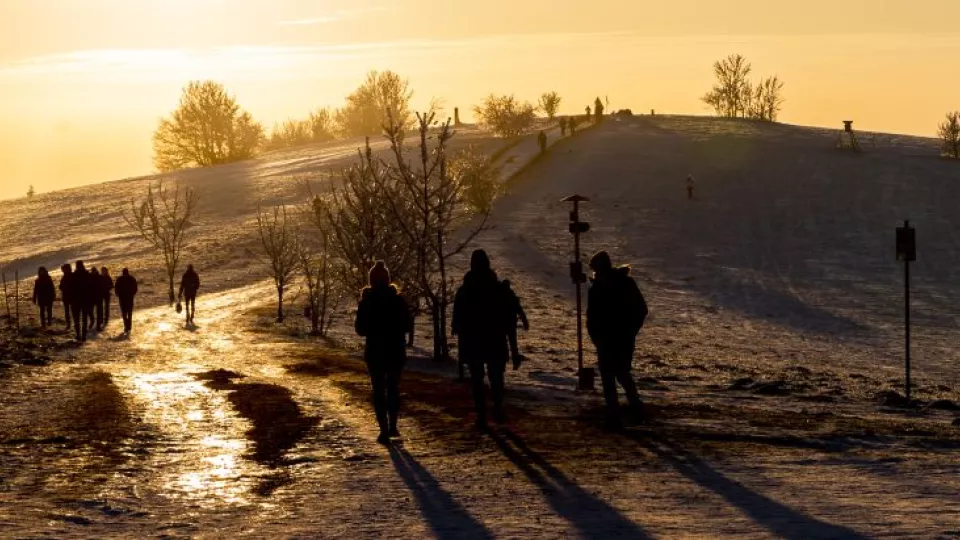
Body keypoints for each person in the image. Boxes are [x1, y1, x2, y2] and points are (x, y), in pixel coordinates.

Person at [586, 251, 648, 429]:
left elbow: (641, 310)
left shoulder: (619, 285)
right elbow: (592, 317)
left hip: (618, 338)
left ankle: (630, 407)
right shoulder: (603, 287)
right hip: (610, 339)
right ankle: (619, 410)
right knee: (612, 374)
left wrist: (630, 330)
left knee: (618, 373)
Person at [355, 261, 413, 445]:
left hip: (375, 351)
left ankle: (384, 430)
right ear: (388, 279)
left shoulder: (367, 301)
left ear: (371, 280)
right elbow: (407, 325)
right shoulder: (398, 300)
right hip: (395, 349)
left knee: (379, 390)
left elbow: (360, 329)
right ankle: (393, 425)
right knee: (393, 388)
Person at [453, 249, 510, 429]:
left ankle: (481, 415)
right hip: (494, 338)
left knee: (477, 379)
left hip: (473, 340)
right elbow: (505, 315)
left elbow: (458, 319)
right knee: (496, 377)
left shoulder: (465, 290)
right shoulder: (497, 287)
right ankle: (498, 408)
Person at [501, 279, 529, 371]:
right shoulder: (512, 297)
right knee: (512, 344)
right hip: (510, 324)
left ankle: (505, 362)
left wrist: (525, 322)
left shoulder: (501, 297)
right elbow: (520, 311)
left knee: (505, 343)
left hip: (503, 325)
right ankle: (514, 362)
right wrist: (525, 322)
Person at [72, 261, 93, 342]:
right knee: (84, 319)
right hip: (85, 300)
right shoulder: (87, 275)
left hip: (76, 300)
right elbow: (91, 288)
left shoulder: (74, 275)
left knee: (76, 318)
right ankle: (83, 336)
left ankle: (78, 335)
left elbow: (71, 289)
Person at [114, 268, 138, 334]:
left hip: (122, 299)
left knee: (124, 313)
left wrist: (118, 294)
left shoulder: (119, 279)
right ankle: (129, 326)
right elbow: (135, 288)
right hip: (130, 298)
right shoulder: (132, 278)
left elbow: (116, 288)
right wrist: (132, 294)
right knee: (129, 313)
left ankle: (126, 326)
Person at [59, 264, 73, 329]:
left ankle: (69, 324)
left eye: (63, 269)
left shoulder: (66, 276)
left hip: (69, 296)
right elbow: (61, 286)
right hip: (68, 296)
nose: (62, 271)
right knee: (68, 311)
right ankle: (69, 324)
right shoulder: (67, 276)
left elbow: (61, 287)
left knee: (69, 311)